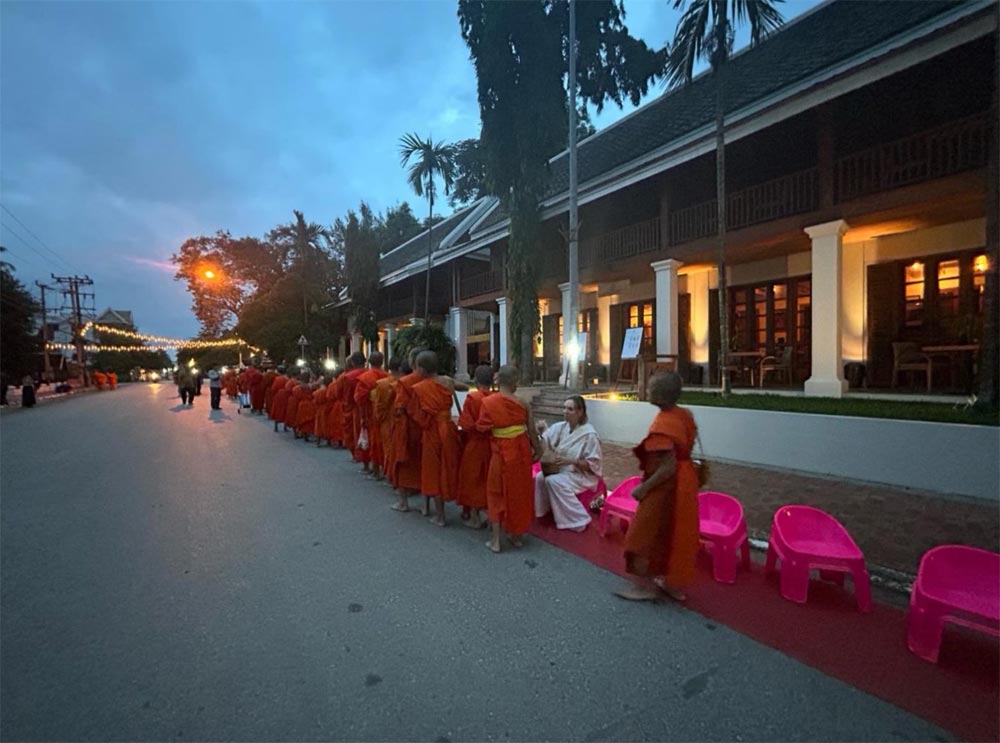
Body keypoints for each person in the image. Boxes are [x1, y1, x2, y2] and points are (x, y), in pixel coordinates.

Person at [615, 371, 700, 603]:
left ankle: (647, 586)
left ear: (661, 394)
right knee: (674, 531)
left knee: (645, 534)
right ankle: (670, 581)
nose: (647, 389)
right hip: (685, 483)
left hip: (665, 486)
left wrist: (643, 489)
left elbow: (667, 467)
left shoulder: (665, 423)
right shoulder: (684, 415)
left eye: (651, 387)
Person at [476, 364, 542, 553]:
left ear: (498, 380)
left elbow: (482, 426)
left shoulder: (488, 403)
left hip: (500, 452)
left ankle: (496, 541)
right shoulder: (523, 403)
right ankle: (517, 536)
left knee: (496, 492)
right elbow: (532, 432)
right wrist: (538, 451)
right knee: (519, 492)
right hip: (520, 452)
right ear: (515, 382)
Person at [534, 396, 603, 532]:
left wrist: (572, 461)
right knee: (541, 477)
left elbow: (594, 465)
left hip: (581, 475)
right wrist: (541, 431)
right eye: (564, 408)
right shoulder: (560, 427)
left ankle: (578, 520)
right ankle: (547, 511)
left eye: (570, 409)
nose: (565, 411)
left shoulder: (589, 435)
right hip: (562, 470)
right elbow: (546, 441)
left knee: (553, 481)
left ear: (580, 412)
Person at [410, 351, 462, 527]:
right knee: (450, 467)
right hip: (448, 428)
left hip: (432, 432)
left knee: (434, 473)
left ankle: (440, 516)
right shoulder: (447, 381)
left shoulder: (419, 389)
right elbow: (461, 387)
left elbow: (417, 415)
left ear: (422, 369)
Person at [456, 365, 495, 529]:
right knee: (488, 479)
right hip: (492, 445)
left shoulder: (473, 399)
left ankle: (474, 517)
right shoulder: (496, 399)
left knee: (473, 479)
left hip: (475, 444)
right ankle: (487, 512)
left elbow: (466, 425)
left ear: (476, 380)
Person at [355, 352, 388, 478]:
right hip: (385, 413)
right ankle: (384, 469)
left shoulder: (365, 378)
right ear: (382, 362)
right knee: (384, 442)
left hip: (371, 413)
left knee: (374, 442)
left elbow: (359, 398)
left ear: (369, 361)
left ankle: (375, 471)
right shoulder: (387, 376)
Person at [372, 358, 402, 482]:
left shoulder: (381, 384)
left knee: (389, 448)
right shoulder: (406, 383)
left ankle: (391, 476)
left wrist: (379, 418)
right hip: (401, 420)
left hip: (386, 421)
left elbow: (377, 405)